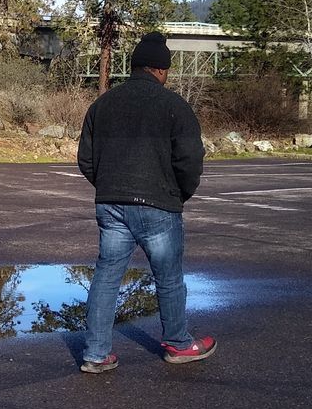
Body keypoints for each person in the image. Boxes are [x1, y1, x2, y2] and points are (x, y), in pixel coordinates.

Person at [75, 31, 215, 374]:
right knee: (168, 278)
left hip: (111, 204)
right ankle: (179, 345)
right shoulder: (174, 106)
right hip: (158, 205)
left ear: (135, 66)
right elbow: (190, 159)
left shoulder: (102, 104)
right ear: (162, 70)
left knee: (107, 276)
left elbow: (86, 158)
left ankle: (96, 353)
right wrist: (180, 192)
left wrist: (108, 186)